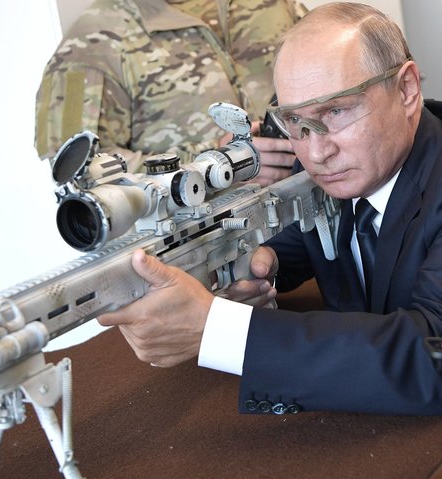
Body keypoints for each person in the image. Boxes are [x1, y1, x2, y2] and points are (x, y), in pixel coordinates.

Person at [97, 2, 442, 415]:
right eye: (294, 122)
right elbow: (310, 236)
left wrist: (218, 329)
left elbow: (430, 356)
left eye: (336, 111)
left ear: (406, 90)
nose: (316, 152)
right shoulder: (343, 164)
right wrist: (257, 263)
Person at [35, 0, 306, 185]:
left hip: (317, 221)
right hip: (209, 244)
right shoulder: (90, 42)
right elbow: (78, 173)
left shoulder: (273, 5)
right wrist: (212, 162)